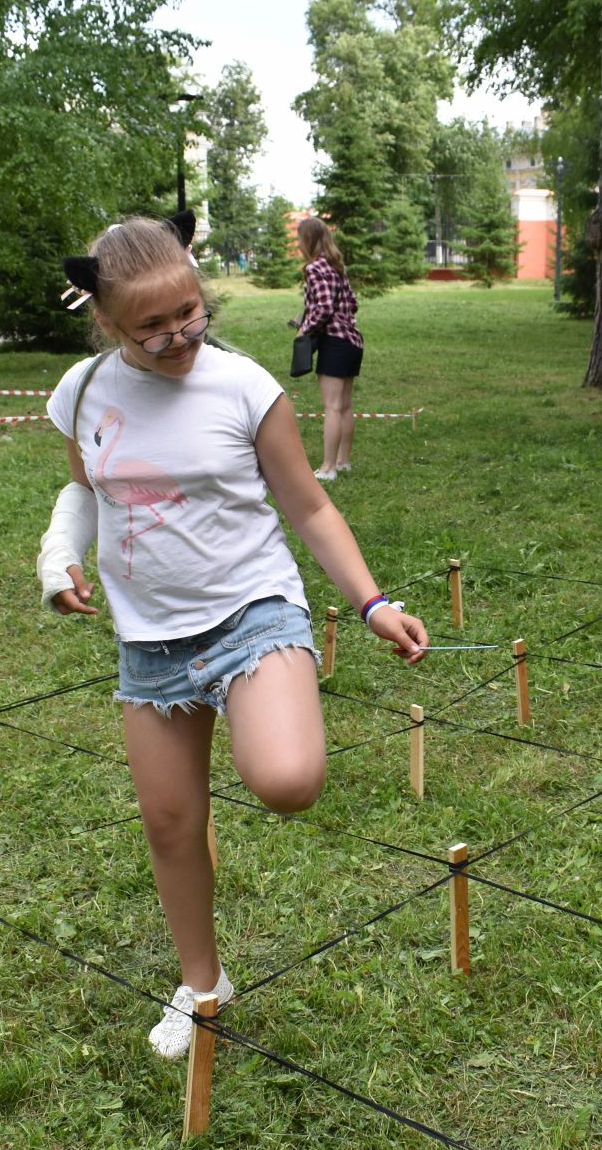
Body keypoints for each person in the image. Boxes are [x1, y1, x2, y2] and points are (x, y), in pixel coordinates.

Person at [36, 214, 427, 1060]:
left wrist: (371, 604)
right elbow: (82, 494)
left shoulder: (245, 387)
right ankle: (202, 983)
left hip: (253, 609)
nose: (178, 334)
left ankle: (270, 714)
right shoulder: (83, 390)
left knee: (286, 780)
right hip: (150, 639)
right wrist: (58, 556)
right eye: (151, 324)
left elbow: (311, 507)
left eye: (189, 311)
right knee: (171, 823)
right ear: (107, 321)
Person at [293, 217, 363, 481]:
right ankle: (343, 462)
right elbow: (352, 303)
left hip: (334, 343)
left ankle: (327, 468)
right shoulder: (337, 267)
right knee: (344, 406)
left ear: (308, 239)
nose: (299, 244)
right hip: (353, 342)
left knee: (332, 407)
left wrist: (304, 328)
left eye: (300, 239)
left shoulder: (315, 268)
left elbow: (322, 308)